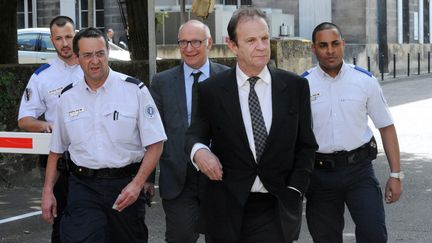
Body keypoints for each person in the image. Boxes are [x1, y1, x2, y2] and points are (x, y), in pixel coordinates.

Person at [185, 7, 318, 243]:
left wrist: (296, 189)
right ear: (232, 45)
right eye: (251, 40)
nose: (261, 46)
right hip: (226, 204)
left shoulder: (295, 87)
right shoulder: (211, 90)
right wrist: (200, 153)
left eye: (264, 38)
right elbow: (195, 134)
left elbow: (306, 145)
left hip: (275, 205)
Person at [40, 27, 167, 243]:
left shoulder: (135, 91)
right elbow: (56, 151)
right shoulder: (68, 98)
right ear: (77, 58)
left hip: (124, 187)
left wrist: (137, 184)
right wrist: (47, 191)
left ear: (108, 53)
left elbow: (156, 144)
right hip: (83, 188)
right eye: (87, 55)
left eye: (100, 53)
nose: (95, 61)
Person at [302, 22, 403, 243]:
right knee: (325, 238)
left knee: (374, 234)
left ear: (343, 44)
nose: (330, 50)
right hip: (319, 176)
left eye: (335, 43)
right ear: (313, 48)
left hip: (359, 172)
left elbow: (386, 126)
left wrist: (396, 175)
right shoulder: (302, 85)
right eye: (323, 45)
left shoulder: (364, 81)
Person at [150, 20, 228, 243]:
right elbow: (152, 133)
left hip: (220, 175)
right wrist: (146, 177)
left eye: (195, 41)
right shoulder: (161, 82)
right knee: (180, 237)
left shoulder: (228, 78)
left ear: (209, 43)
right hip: (178, 177)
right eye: (183, 42)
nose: (189, 48)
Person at [17, 15, 82, 243]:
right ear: (51, 41)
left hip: (97, 158)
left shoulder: (93, 66)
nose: (65, 43)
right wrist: (44, 124)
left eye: (69, 37)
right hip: (61, 162)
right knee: (62, 223)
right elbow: (24, 120)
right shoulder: (42, 77)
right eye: (58, 38)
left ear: (76, 35)